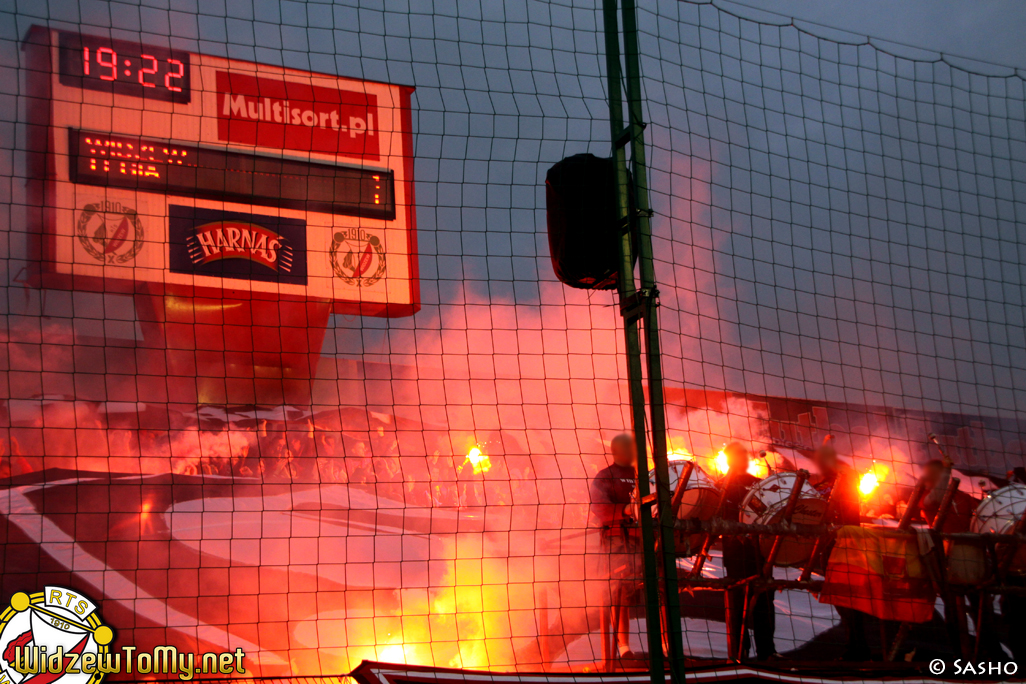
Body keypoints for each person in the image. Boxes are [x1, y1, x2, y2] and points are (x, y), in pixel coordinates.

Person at [809, 441, 868, 661]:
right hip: (845, 545)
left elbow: (819, 501)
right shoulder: (841, 480)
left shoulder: (839, 482)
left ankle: (857, 648)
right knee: (845, 599)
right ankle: (857, 646)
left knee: (845, 598)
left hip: (841, 546)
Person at [718, 442, 776, 660]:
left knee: (764, 603)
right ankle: (739, 653)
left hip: (760, 553)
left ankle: (767, 652)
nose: (742, 459)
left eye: (744, 455)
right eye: (737, 456)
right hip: (734, 554)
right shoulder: (721, 486)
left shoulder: (760, 484)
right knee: (736, 605)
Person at [590, 433, 640, 661]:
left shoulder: (644, 475)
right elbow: (599, 509)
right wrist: (626, 510)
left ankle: (667, 646)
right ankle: (624, 649)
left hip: (646, 541)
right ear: (616, 451)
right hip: (616, 542)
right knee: (618, 592)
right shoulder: (604, 477)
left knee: (661, 589)